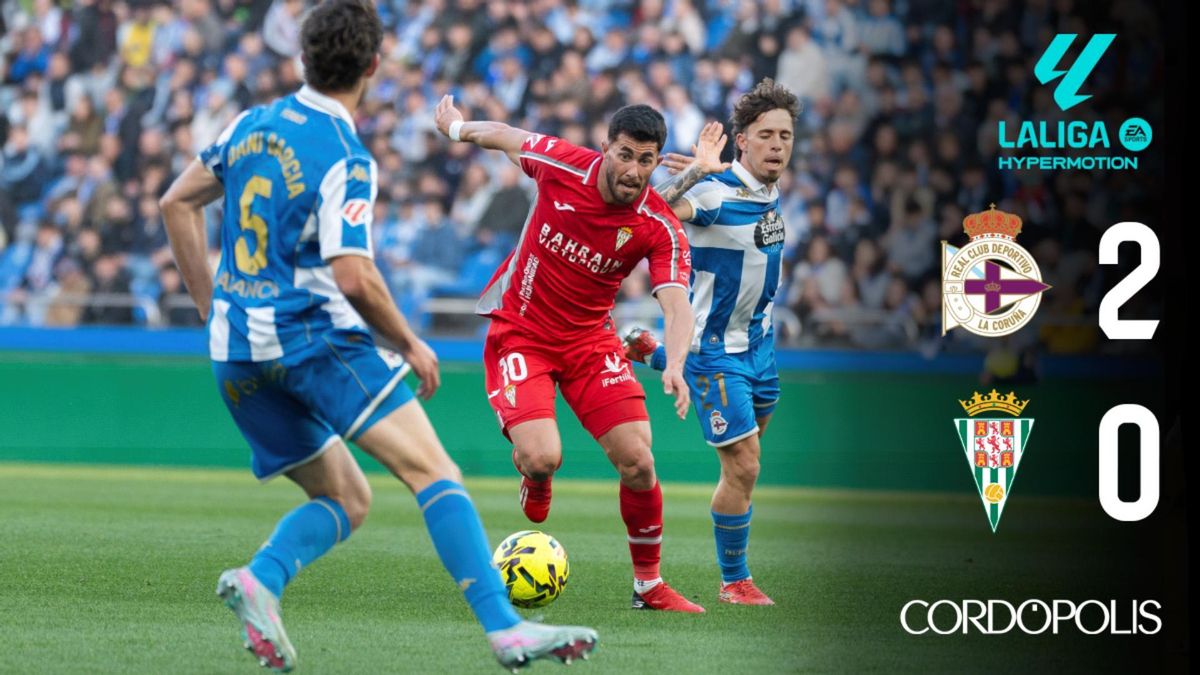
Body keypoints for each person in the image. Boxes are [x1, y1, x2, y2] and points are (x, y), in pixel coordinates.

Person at [158, 1, 597, 671]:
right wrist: (410, 342)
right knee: (436, 473)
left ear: (303, 58)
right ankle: (506, 629)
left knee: (347, 497)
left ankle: (261, 580)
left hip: (235, 351)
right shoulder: (344, 154)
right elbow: (355, 276)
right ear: (372, 65)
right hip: (312, 340)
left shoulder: (251, 123)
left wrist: (210, 306)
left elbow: (176, 202)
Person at [433, 96, 713, 613]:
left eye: (646, 160)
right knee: (543, 457)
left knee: (638, 461)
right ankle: (535, 476)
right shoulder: (564, 164)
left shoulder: (660, 226)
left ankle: (648, 586)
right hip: (521, 330)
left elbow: (677, 307)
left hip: (589, 342)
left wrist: (674, 364)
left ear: (657, 161)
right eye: (625, 154)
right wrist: (457, 130)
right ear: (606, 147)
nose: (633, 170)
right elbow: (506, 136)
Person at [625, 78, 801, 606]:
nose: (777, 145)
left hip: (759, 350)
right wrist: (698, 170)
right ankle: (735, 581)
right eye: (766, 134)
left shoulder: (767, 194)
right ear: (741, 140)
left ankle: (651, 354)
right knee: (744, 465)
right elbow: (644, 212)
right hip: (713, 351)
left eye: (786, 136)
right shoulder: (714, 192)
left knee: (747, 463)